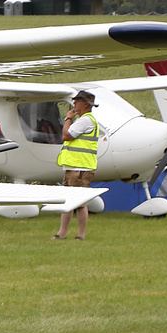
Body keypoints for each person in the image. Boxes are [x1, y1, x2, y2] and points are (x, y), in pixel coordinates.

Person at [54, 90, 99, 240]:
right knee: (69, 201)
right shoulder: (85, 120)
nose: (74, 104)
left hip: (80, 168)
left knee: (78, 203)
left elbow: (66, 135)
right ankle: (63, 233)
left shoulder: (85, 120)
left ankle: (79, 235)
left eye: (77, 101)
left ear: (85, 104)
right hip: (74, 166)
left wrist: (68, 118)